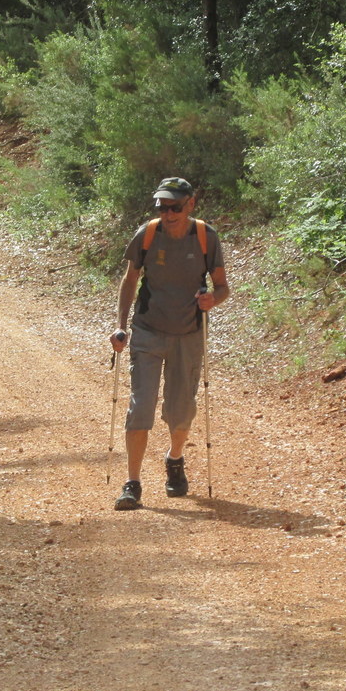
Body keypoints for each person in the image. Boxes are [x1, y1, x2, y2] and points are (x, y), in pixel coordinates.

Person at [109, 177, 229, 510]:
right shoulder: (148, 234)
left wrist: (212, 300)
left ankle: (174, 459)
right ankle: (132, 483)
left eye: (175, 206)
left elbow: (222, 287)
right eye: (162, 206)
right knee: (140, 408)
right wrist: (120, 327)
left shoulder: (206, 237)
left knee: (181, 413)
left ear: (191, 204)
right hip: (148, 331)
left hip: (188, 335)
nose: (168, 212)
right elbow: (130, 278)